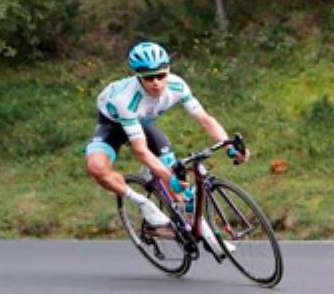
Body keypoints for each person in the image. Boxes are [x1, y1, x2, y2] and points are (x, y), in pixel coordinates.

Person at [85, 41, 246, 253]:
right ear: (137, 76)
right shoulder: (125, 99)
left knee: (178, 186)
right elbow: (140, 150)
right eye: (148, 77)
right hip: (113, 124)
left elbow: (205, 120)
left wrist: (228, 144)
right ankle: (143, 204)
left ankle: (207, 234)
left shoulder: (177, 85)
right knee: (96, 167)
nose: (156, 83)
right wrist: (168, 177)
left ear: (168, 70)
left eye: (161, 75)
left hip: (144, 122)